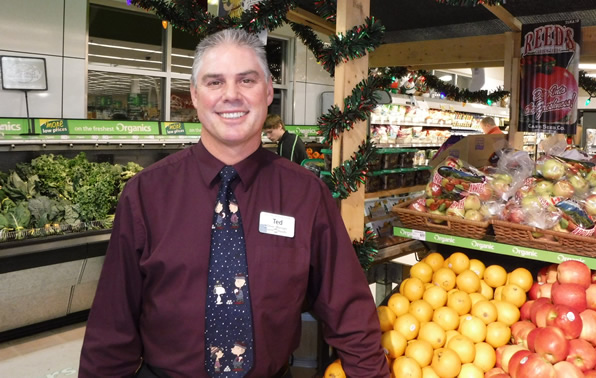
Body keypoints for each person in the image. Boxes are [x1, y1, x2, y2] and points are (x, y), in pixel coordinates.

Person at [79, 28, 388, 377]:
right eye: (214, 82)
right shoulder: (146, 194)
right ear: (194, 95)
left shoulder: (306, 194)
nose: (231, 95)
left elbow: (348, 307)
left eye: (247, 80)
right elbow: (111, 325)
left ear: (268, 91)